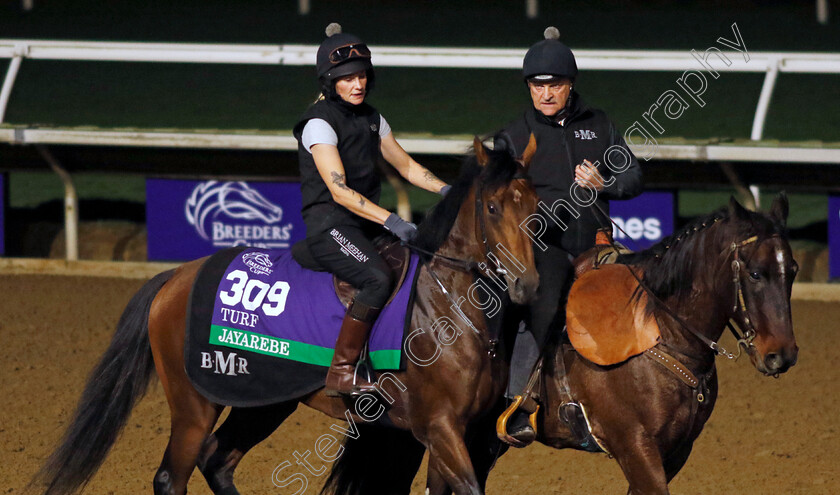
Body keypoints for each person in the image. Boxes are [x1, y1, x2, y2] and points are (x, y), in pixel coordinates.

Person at [494, 27, 643, 446]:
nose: (545, 94)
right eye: (537, 86)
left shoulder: (599, 124)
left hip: (596, 243)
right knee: (546, 298)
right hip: (545, 247)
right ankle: (520, 402)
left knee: (641, 296)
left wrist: (604, 184)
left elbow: (633, 178)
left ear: (570, 84)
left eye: (554, 85)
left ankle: (635, 401)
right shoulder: (513, 136)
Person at [292, 23, 450, 398]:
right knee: (378, 278)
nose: (357, 85)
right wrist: (392, 220)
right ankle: (342, 370)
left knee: (418, 263)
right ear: (331, 83)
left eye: (362, 76)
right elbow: (340, 191)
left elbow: (407, 166)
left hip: (362, 225)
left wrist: (448, 190)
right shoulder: (318, 123)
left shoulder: (373, 118)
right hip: (330, 225)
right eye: (347, 79)